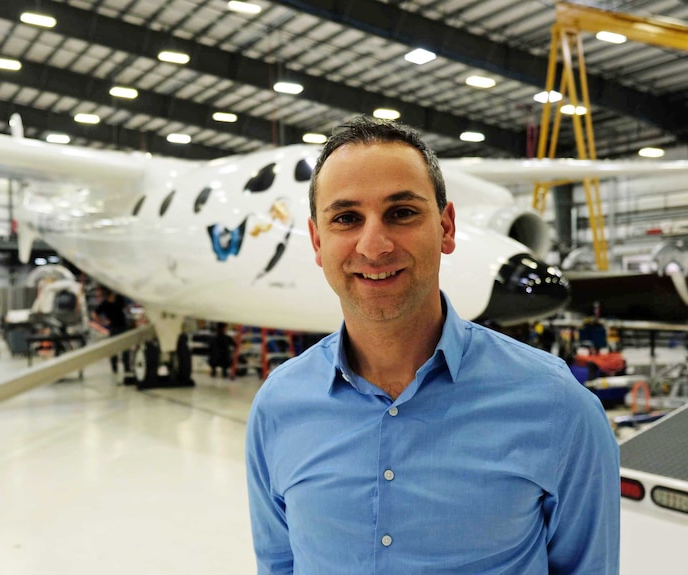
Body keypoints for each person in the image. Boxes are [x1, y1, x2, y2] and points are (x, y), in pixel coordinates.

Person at [245, 116, 620, 574]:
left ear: (445, 227)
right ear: (318, 241)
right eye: (346, 218)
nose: (374, 245)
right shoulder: (277, 407)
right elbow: (278, 565)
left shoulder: (559, 407)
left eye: (401, 212)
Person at [91, 288, 130, 374]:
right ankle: (115, 368)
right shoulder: (105, 304)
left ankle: (126, 367)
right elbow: (94, 314)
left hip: (122, 326)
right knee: (114, 349)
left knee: (125, 349)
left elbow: (126, 308)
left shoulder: (119, 299)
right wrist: (102, 321)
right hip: (114, 327)